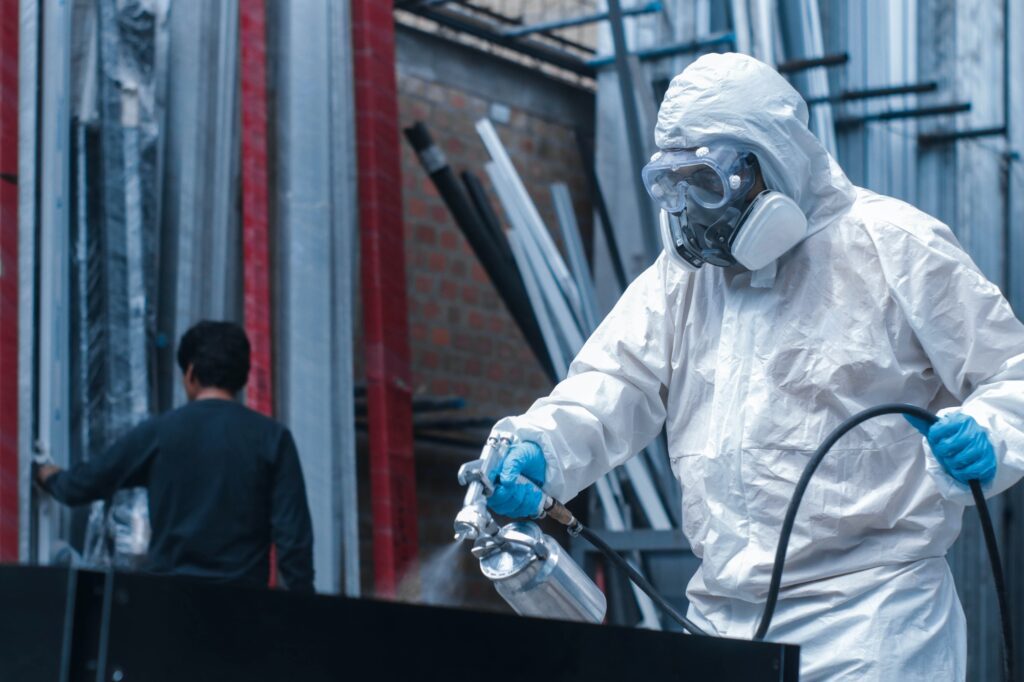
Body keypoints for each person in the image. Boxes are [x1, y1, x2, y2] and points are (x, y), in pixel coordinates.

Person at [481, 53, 1024, 680]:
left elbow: (1012, 372)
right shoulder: (684, 281)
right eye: (672, 186)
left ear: (772, 162)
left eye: (706, 184)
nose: (692, 212)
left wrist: (989, 432)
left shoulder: (892, 245)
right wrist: (543, 446)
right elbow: (612, 384)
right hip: (720, 618)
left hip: (871, 624)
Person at [35, 321, 315, 592]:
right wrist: (300, 609)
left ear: (190, 373)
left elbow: (91, 481)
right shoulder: (273, 439)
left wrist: (51, 477)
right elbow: (294, 541)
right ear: (242, 376)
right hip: (244, 609)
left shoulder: (161, 433)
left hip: (169, 604)